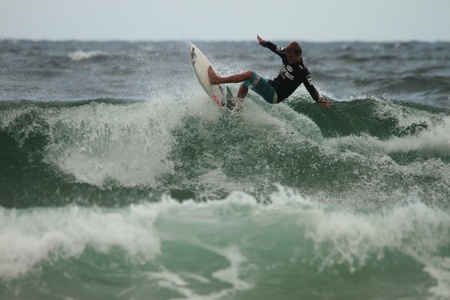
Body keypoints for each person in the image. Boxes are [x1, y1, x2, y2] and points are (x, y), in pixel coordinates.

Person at [208, 35, 330, 109]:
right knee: (246, 80)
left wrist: (318, 99)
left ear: (299, 55)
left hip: (275, 95)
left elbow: (310, 87)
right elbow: (275, 48)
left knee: (250, 74)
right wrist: (264, 43)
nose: (288, 58)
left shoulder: (303, 72)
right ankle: (236, 105)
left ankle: (217, 80)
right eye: (287, 55)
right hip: (272, 85)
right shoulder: (286, 54)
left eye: (291, 56)